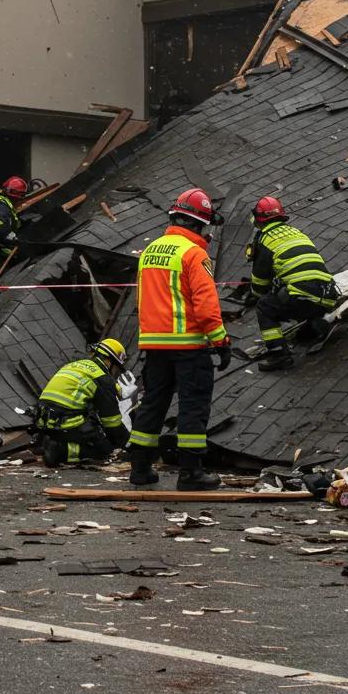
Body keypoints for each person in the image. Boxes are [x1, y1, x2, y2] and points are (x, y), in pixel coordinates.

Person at [127, 188, 231, 491]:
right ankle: (191, 473)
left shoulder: (149, 252)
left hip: (154, 345)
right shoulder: (194, 254)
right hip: (188, 346)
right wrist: (220, 341)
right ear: (199, 225)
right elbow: (206, 303)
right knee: (193, 406)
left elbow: (143, 299)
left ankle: (140, 469)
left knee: (153, 404)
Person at [248, 196, 336, 372]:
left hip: (303, 295)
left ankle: (279, 354)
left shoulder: (266, 240)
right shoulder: (296, 233)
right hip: (328, 293)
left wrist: (254, 295)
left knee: (265, 307)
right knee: (294, 293)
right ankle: (316, 325)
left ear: (259, 220)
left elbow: (259, 283)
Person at [35, 338, 133, 467]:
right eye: (117, 368)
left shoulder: (75, 365)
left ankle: (53, 443)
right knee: (104, 450)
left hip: (44, 419)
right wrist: (128, 445)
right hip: (64, 422)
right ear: (110, 361)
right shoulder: (102, 378)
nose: (115, 372)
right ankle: (59, 451)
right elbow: (111, 421)